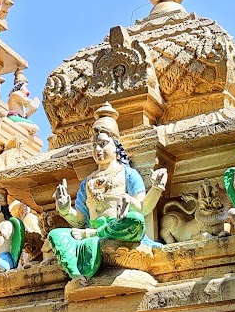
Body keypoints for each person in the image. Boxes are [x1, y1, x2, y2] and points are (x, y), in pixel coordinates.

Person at [49, 106, 164, 282]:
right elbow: (80, 220)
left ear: (116, 146)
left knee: (135, 219)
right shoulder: (87, 182)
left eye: (103, 144)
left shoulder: (128, 174)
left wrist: (156, 188)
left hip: (117, 227)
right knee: (56, 235)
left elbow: (143, 207)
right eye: (94, 145)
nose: (98, 149)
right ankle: (77, 275)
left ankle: (95, 234)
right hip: (91, 230)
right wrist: (65, 209)